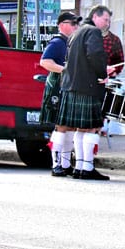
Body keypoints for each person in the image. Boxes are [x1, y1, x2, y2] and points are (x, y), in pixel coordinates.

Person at [57, 5, 116, 181]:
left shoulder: (77, 32)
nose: (107, 23)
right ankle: (86, 167)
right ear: (95, 17)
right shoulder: (93, 32)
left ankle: (80, 167)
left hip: (73, 85)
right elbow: (95, 54)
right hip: (88, 86)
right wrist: (103, 74)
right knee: (90, 128)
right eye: (105, 19)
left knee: (81, 129)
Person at [44, 12, 81, 177]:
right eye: (72, 23)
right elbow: (45, 62)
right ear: (61, 25)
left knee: (70, 126)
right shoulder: (57, 42)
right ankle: (56, 164)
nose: (76, 26)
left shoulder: (72, 43)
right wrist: (65, 70)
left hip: (69, 87)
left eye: (77, 24)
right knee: (61, 126)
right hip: (58, 87)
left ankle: (66, 164)